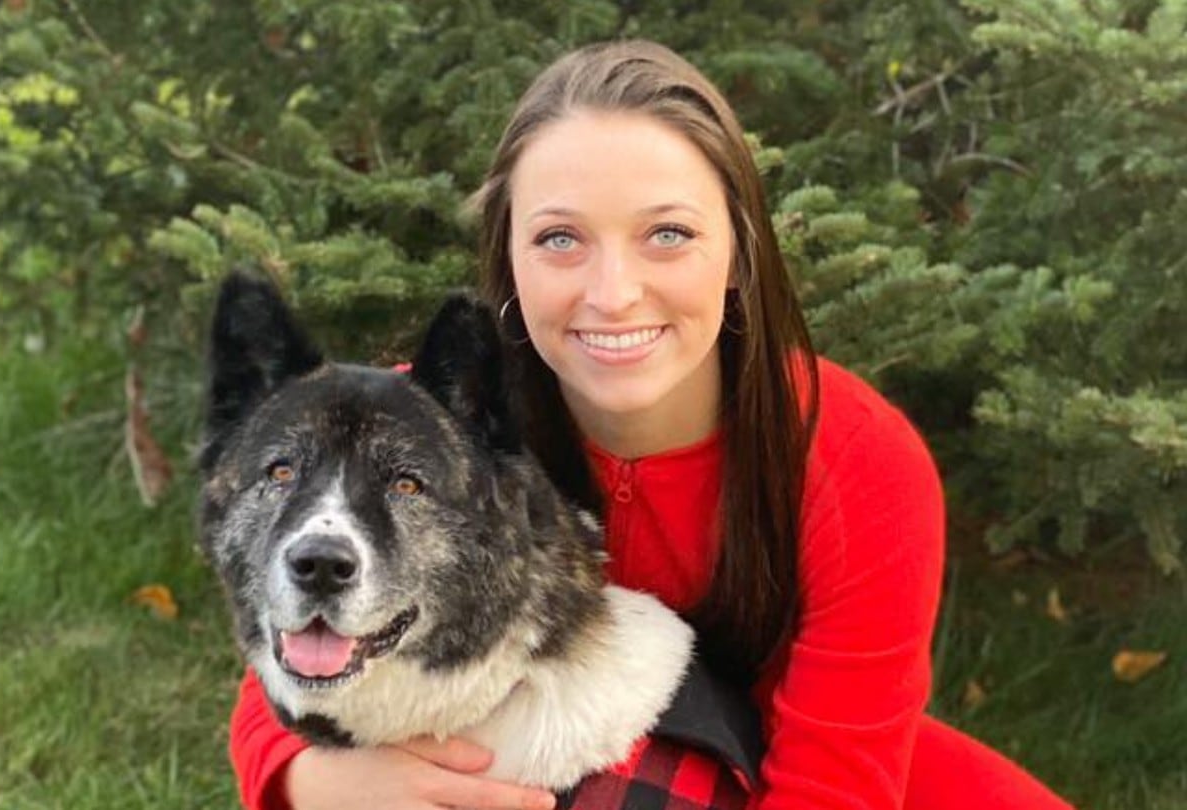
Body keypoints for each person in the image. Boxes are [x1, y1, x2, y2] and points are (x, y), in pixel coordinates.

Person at [227, 40, 1076, 810]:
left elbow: (837, 789)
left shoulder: (858, 464)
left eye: (667, 233)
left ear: (741, 253)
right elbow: (289, 636)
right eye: (561, 238)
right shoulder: (425, 434)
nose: (613, 293)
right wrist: (310, 774)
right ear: (508, 259)